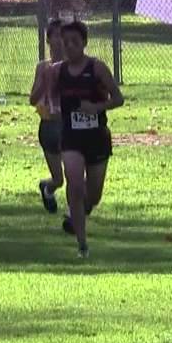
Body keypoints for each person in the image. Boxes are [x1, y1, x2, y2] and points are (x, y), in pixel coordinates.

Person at [50, 21, 124, 259]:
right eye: (66, 42)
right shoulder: (57, 71)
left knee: (93, 195)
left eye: (75, 42)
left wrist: (96, 107)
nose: (70, 46)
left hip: (97, 137)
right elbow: (52, 100)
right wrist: (54, 111)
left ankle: (81, 209)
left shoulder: (97, 68)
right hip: (71, 137)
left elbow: (118, 99)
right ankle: (82, 244)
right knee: (74, 181)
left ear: (84, 43)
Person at [30, 20, 66, 215]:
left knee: (75, 173)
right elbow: (32, 99)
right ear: (48, 39)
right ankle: (47, 187)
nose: (60, 41)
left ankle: (74, 213)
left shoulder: (73, 66)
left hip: (68, 126)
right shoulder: (42, 67)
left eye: (64, 36)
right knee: (58, 179)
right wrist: (45, 81)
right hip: (48, 126)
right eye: (56, 36)